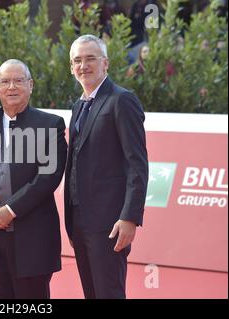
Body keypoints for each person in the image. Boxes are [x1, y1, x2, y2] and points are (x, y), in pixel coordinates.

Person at [0, 59, 67, 299]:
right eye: (5, 81)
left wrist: (9, 210)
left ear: (30, 85)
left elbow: (48, 177)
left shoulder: (50, 125)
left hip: (31, 237)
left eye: (18, 81)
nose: (12, 87)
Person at [65, 34, 148, 299]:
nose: (83, 66)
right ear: (71, 67)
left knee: (109, 293)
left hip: (109, 222)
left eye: (90, 59)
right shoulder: (79, 106)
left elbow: (137, 163)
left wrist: (130, 217)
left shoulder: (121, 100)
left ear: (105, 64)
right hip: (78, 220)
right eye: (77, 60)